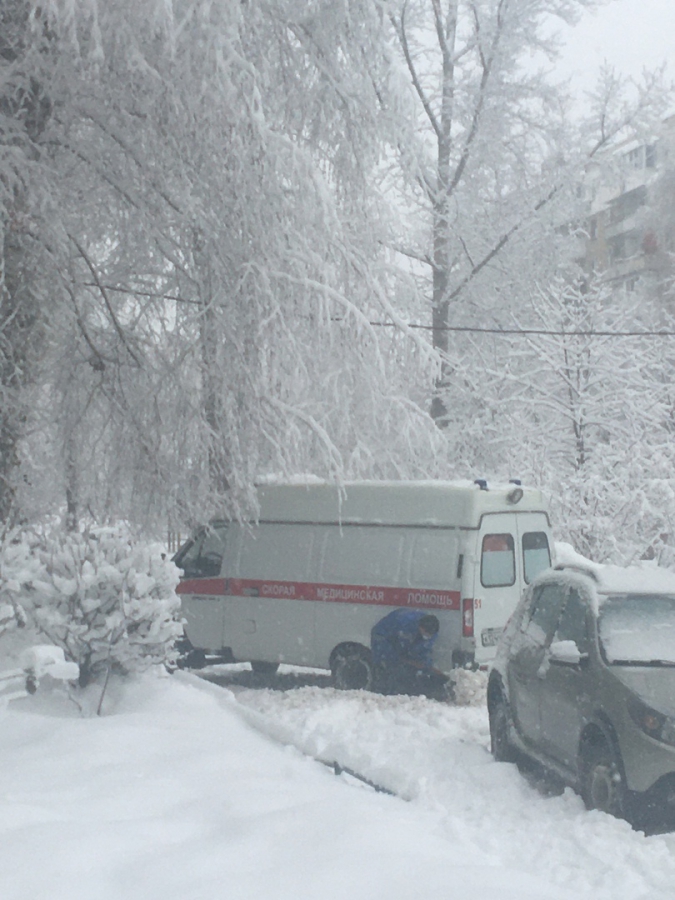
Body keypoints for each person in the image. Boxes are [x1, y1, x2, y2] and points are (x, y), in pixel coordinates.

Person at [370, 608, 450, 700]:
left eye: (429, 635)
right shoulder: (404, 623)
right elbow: (399, 646)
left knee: (407, 666)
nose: (427, 636)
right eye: (425, 633)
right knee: (389, 664)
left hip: (399, 640)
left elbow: (424, 650)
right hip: (382, 636)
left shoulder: (431, 633)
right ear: (420, 627)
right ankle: (384, 690)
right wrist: (397, 657)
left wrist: (426, 666)